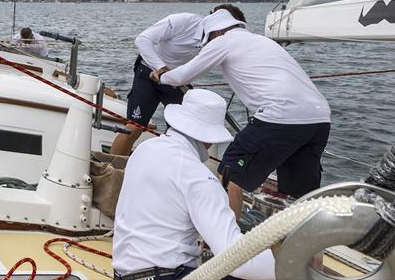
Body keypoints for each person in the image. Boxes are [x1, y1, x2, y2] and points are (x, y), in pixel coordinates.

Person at [158, 5, 331, 219]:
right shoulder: (261, 41)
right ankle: (310, 251)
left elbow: (182, 77)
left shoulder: (224, 41)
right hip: (319, 119)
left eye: (208, 39)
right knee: (303, 195)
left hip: (280, 116)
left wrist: (160, 76)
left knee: (230, 173)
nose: (208, 44)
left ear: (217, 32)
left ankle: (225, 243)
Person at [113, 89, 275, 280]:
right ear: (210, 138)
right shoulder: (198, 178)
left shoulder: (143, 150)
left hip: (123, 273)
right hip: (166, 275)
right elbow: (238, 260)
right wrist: (288, 269)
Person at [109, 12, 203, 156]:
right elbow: (142, 40)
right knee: (134, 127)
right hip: (149, 72)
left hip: (176, 82)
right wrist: (161, 68)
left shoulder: (220, 41)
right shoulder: (183, 21)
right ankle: (111, 170)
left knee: (184, 132)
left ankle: (169, 170)